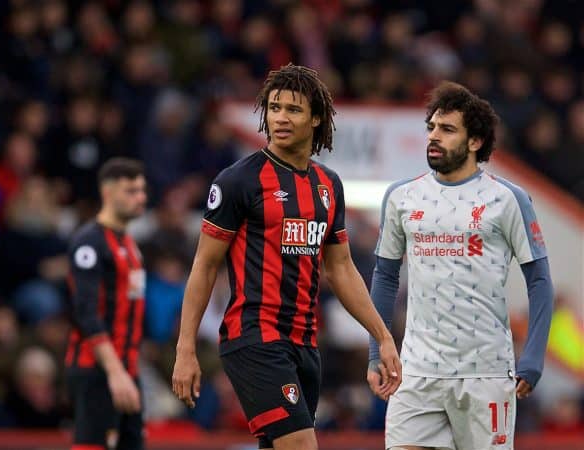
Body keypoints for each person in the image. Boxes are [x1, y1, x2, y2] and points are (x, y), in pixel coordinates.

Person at [172, 63, 402, 450]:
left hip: (305, 343)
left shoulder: (329, 186)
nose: (280, 117)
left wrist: (382, 336)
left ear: (316, 118)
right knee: (300, 445)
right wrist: (186, 348)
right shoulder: (237, 181)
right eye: (274, 107)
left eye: (293, 109)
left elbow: (342, 269)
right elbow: (204, 265)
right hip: (254, 337)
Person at [367, 82, 554, 450]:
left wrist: (532, 355)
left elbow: (540, 280)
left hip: (485, 372)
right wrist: (378, 351)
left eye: (447, 130)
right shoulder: (401, 197)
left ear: (475, 142)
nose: (434, 137)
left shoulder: (507, 199)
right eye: (432, 128)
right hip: (416, 371)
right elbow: (385, 276)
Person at [65, 158, 147, 450]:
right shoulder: (89, 243)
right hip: (98, 371)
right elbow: (86, 313)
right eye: (131, 191)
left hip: (128, 371)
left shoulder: (130, 244)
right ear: (108, 192)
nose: (141, 198)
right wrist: (115, 373)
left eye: (142, 190)